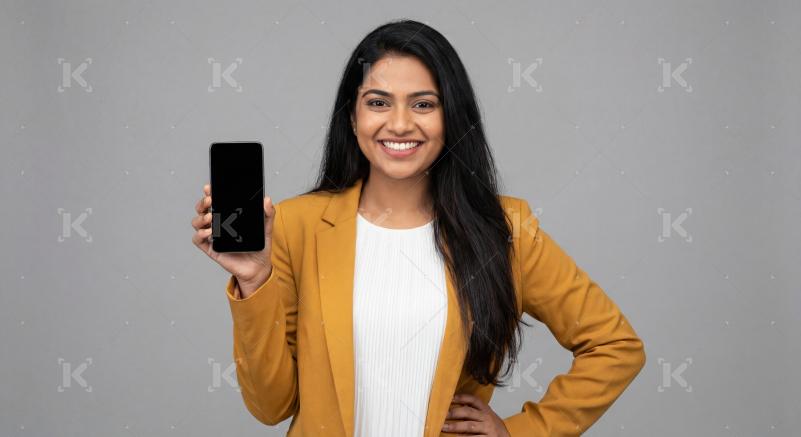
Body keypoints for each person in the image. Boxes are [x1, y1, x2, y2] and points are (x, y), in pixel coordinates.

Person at [191, 18, 646, 437]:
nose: (401, 123)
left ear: (452, 118)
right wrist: (254, 282)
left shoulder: (505, 229)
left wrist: (524, 432)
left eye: (424, 103)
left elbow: (615, 346)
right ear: (353, 117)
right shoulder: (295, 226)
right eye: (378, 103)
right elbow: (271, 406)